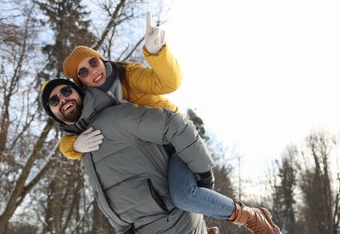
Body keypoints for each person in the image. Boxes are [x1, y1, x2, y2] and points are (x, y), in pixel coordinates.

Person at [40, 78, 282, 234]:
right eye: (54, 100)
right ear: (52, 112)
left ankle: (250, 216)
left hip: (174, 221)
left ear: (79, 91)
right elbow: (108, 195)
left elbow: (173, 124)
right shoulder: (80, 148)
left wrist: (202, 172)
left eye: (66, 91)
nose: (62, 98)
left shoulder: (114, 118)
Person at [59, 11, 182, 160]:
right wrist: (74, 145)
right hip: (154, 154)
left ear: (101, 61)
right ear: (81, 84)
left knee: (185, 184)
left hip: (177, 135)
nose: (92, 71)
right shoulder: (91, 107)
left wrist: (157, 53)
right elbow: (67, 136)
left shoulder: (128, 75)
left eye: (93, 62)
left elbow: (170, 83)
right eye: (83, 72)